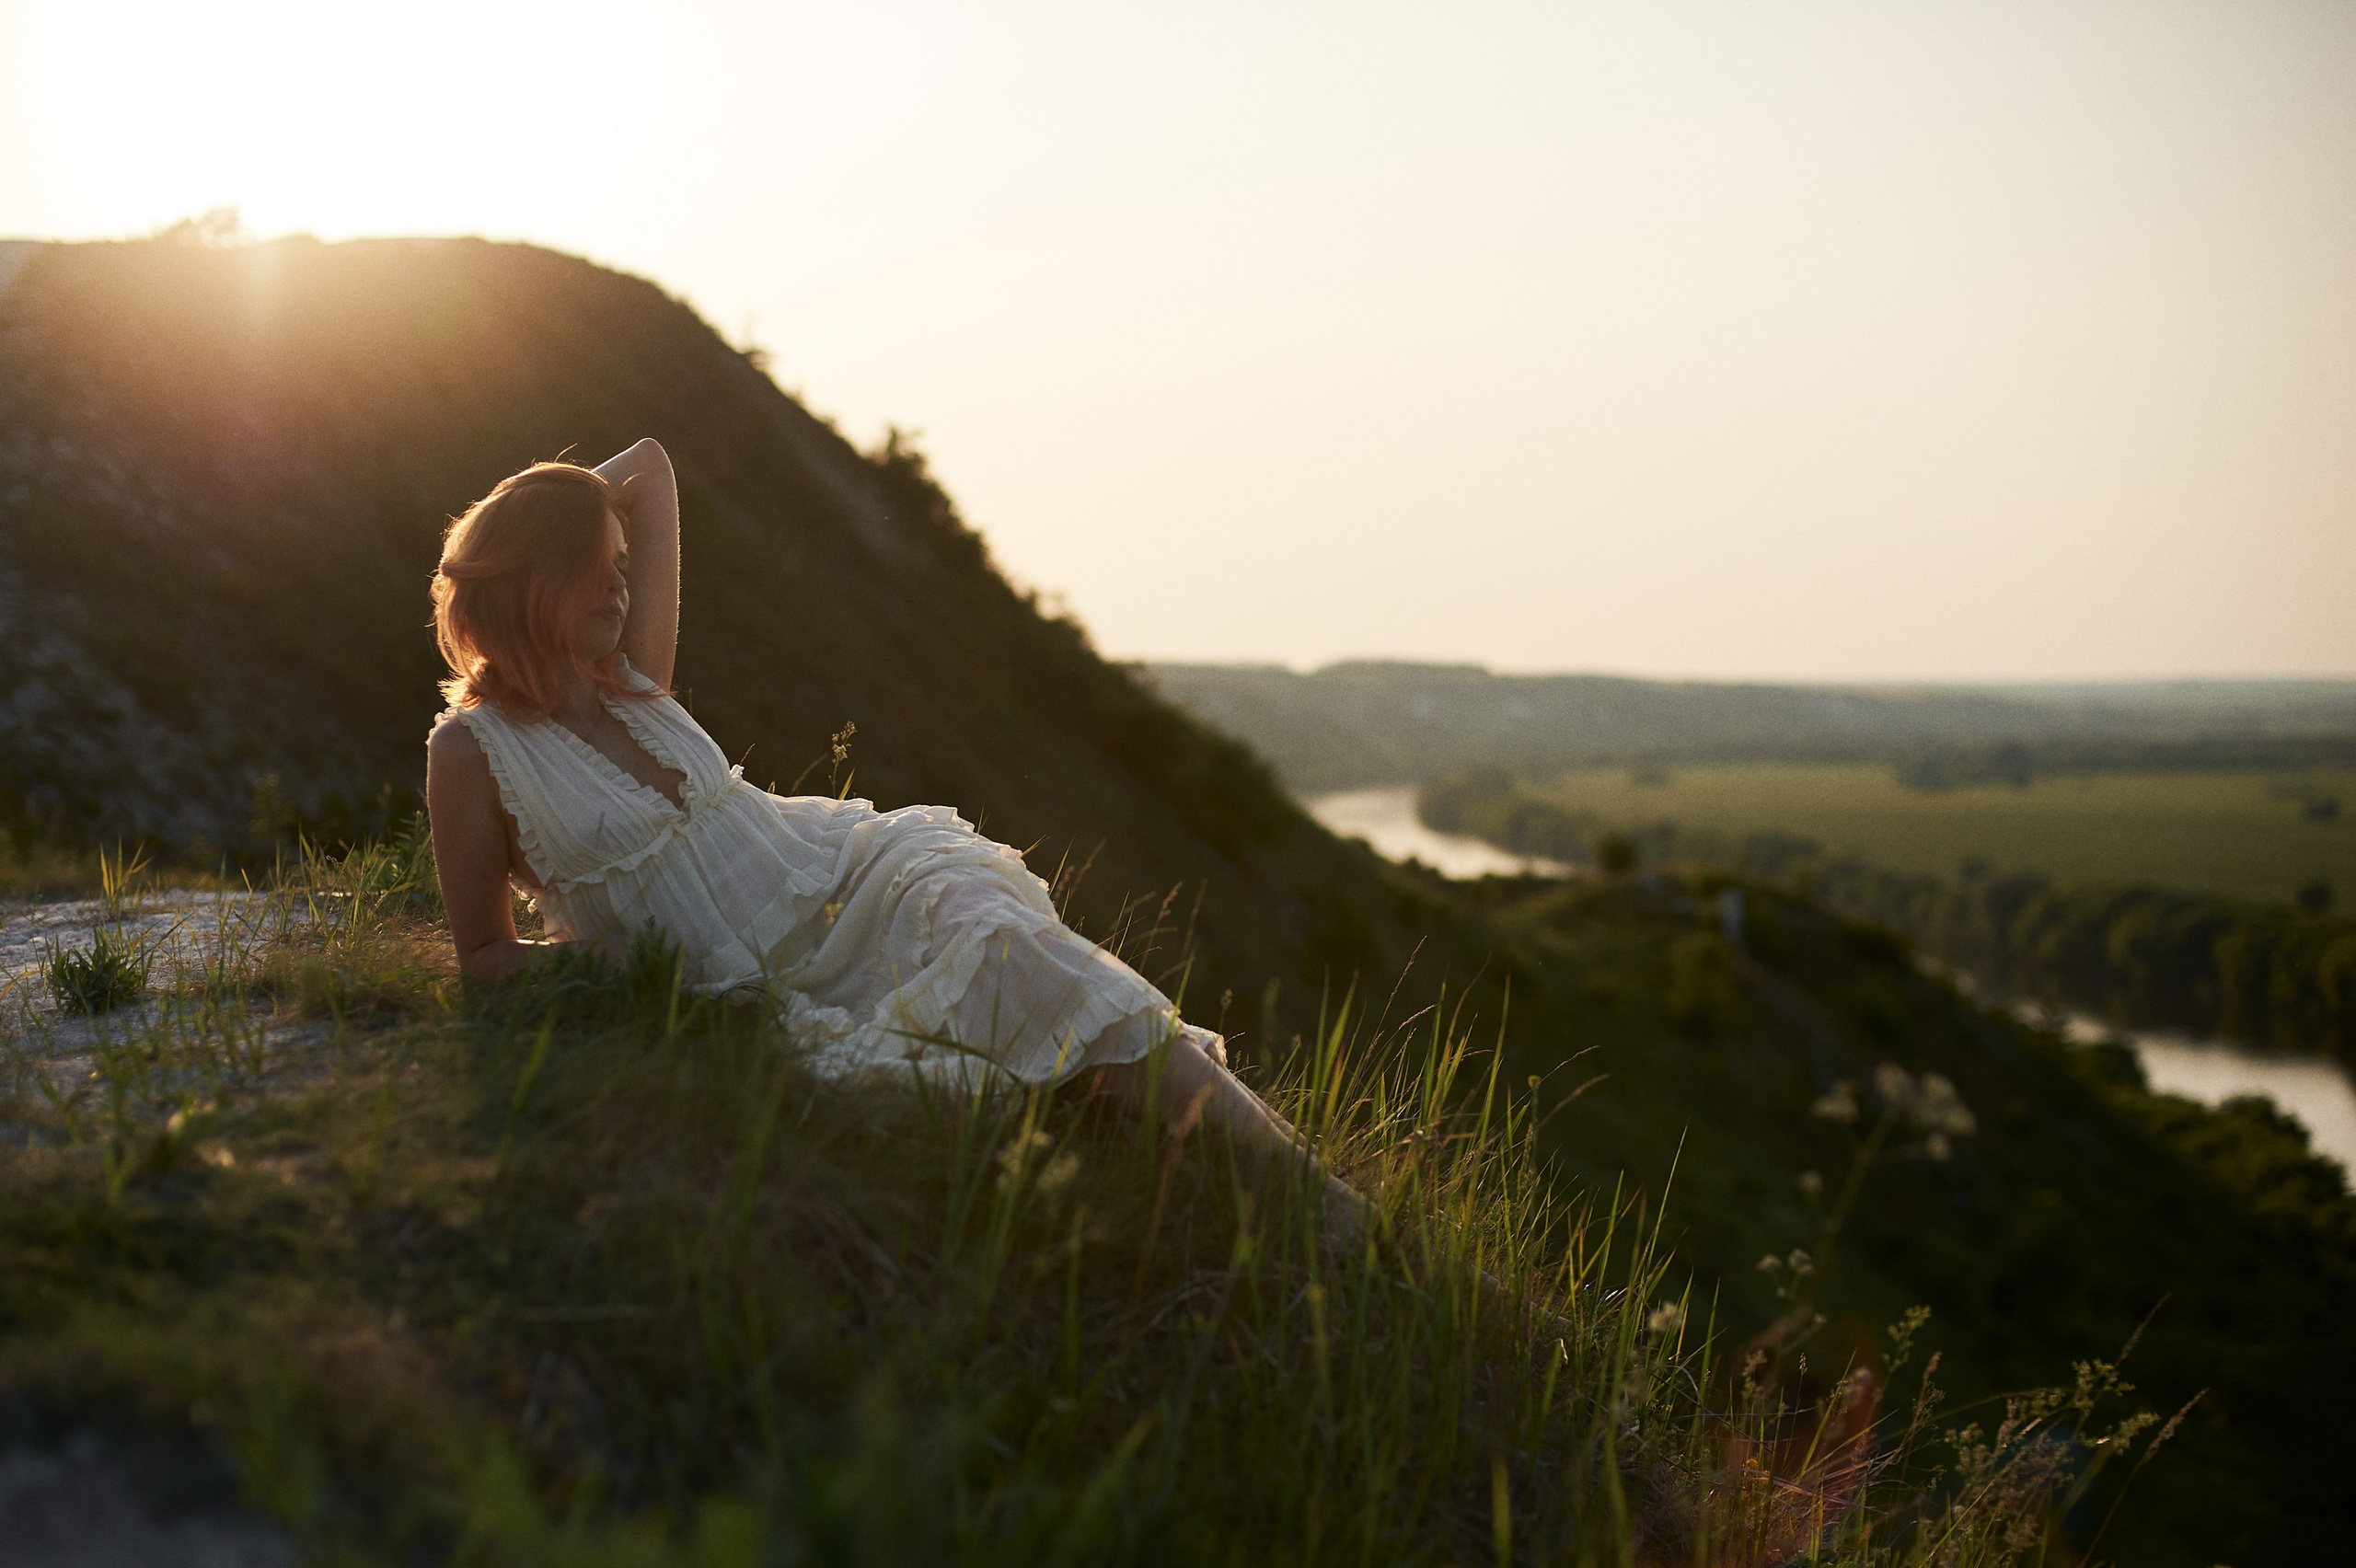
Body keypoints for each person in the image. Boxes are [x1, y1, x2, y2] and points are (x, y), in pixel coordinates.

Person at [424, 440, 1365, 1240]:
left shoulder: (633, 679)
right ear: (539, 573)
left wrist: (557, 510)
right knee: (940, 1095)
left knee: (1009, 942)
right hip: (745, 978)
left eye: (627, 563)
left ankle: (1318, 1195)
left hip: (842, 877)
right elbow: (483, 961)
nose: (624, 583)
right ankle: (1214, 1165)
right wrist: (598, 965)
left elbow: (652, 465)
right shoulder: (474, 751)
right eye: (601, 564)